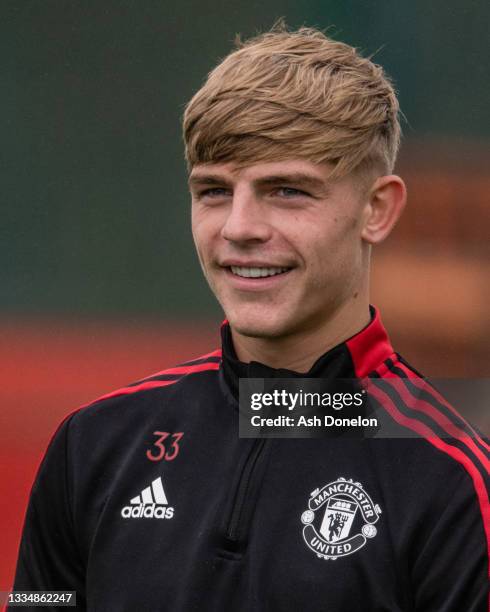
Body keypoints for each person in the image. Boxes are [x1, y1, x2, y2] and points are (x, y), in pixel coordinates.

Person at [10, 24, 488, 611]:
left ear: (377, 210)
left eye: (286, 191)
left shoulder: (454, 480)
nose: (239, 228)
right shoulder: (92, 446)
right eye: (213, 191)